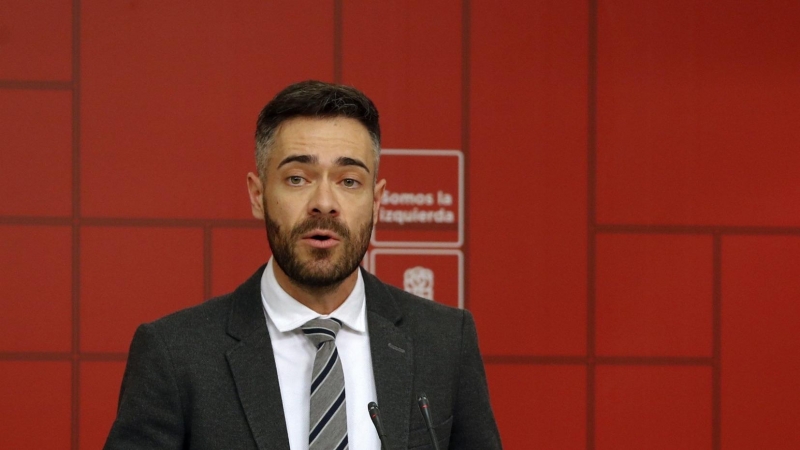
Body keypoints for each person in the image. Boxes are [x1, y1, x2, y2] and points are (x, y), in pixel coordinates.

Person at [104, 80, 501, 450]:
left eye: (349, 181)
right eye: (297, 178)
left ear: (377, 201)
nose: (324, 202)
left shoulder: (445, 341)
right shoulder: (176, 355)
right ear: (258, 194)